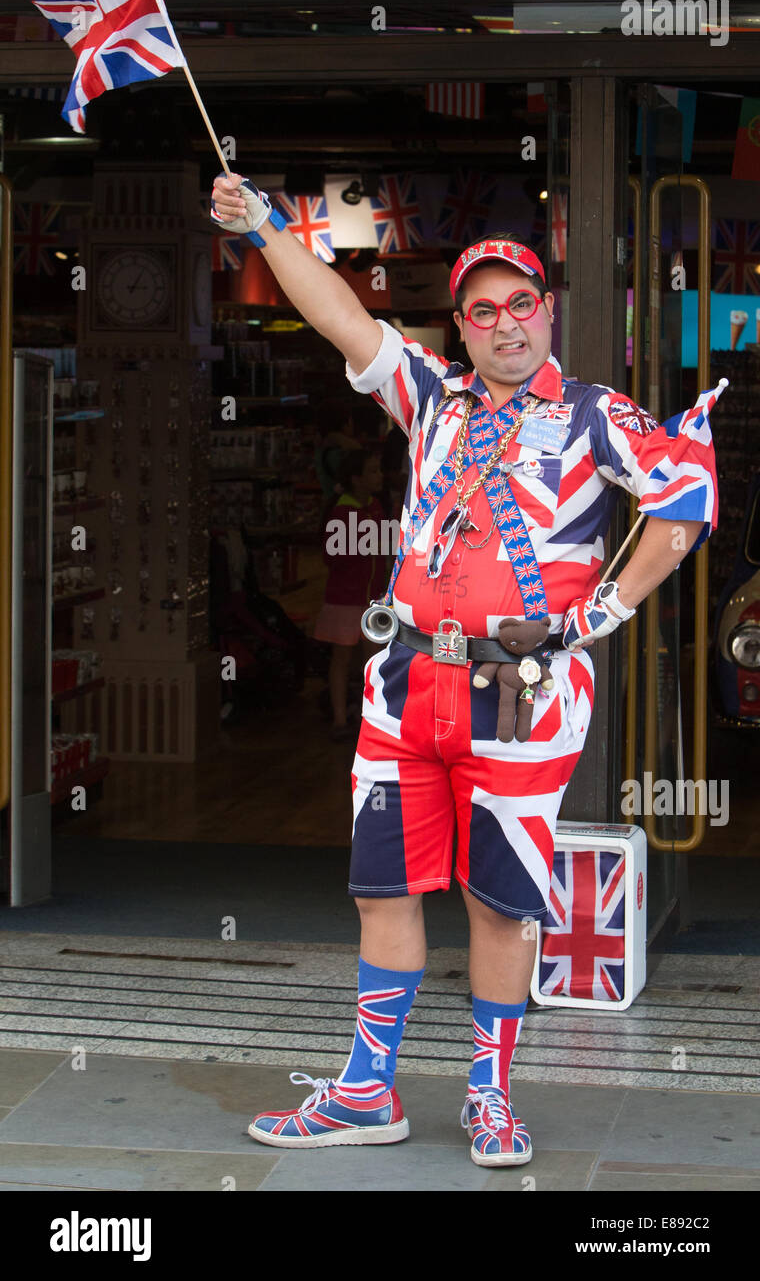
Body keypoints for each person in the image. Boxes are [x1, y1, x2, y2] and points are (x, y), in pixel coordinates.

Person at [210, 175, 718, 1167]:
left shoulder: (592, 413)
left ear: (546, 310)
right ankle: (366, 1090)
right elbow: (342, 315)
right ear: (464, 324)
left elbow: (686, 494)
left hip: (522, 697)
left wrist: (601, 614)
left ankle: (488, 1095)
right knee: (382, 890)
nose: (503, 324)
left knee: (499, 901)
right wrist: (269, 226)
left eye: (519, 303)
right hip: (406, 685)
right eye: (481, 310)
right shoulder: (432, 395)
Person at [313, 446, 387, 741]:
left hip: (371, 599)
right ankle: (341, 719)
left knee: (373, 660)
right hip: (345, 599)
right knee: (343, 659)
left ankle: (372, 720)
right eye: (373, 471)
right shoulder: (342, 512)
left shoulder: (375, 507)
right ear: (357, 479)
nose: (379, 476)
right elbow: (332, 557)